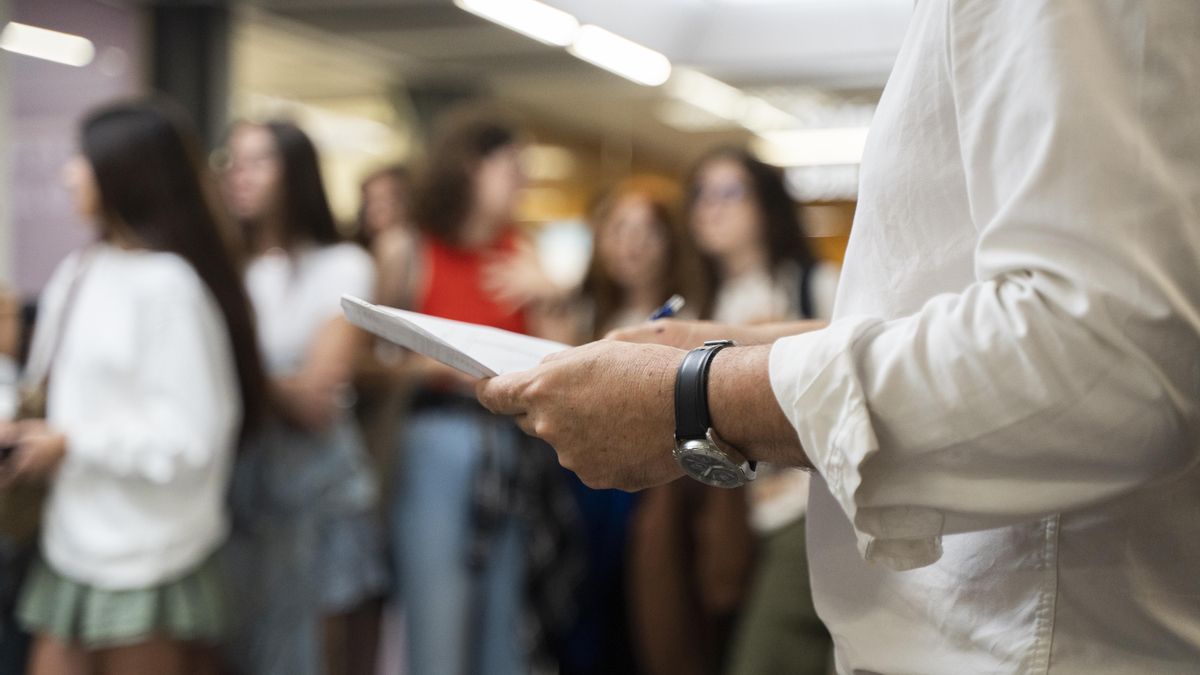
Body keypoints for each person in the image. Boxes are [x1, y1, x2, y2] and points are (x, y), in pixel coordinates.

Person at [475, 2, 1200, 673]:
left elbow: (1111, 353)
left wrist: (698, 396)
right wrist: (729, 345)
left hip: (1042, 637)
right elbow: (964, 310)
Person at [2, 99, 266, 675]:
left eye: (84, 159)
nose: (69, 172)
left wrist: (71, 444)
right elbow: (50, 387)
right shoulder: (82, 270)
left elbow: (193, 436)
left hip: (148, 550)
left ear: (125, 173)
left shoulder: (170, 287)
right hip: (71, 536)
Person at [391, 108, 580, 675]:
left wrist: (549, 296)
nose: (521, 181)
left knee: (508, 628)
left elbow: (568, 368)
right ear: (470, 166)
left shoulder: (522, 254)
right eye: (511, 167)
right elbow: (373, 363)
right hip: (437, 441)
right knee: (438, 619)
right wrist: (432, 368)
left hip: (511, 447)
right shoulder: (411, 250)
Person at [220, 120, 387, 675]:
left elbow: (317, 399)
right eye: (234, 161)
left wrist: (229, 368)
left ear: (295, 173)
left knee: (316, 652)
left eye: (259, 161)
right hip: (238, 489)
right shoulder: (227, 268)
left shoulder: (342, 265)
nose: (240, 176)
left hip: (314, 487)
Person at [684, 147, 835, 675]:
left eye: (729, 192)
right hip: (739, 519)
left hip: (806, 507)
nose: (711, 207)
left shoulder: (812, 285)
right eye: (701, 194)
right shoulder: (704, 302)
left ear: (765, 206)